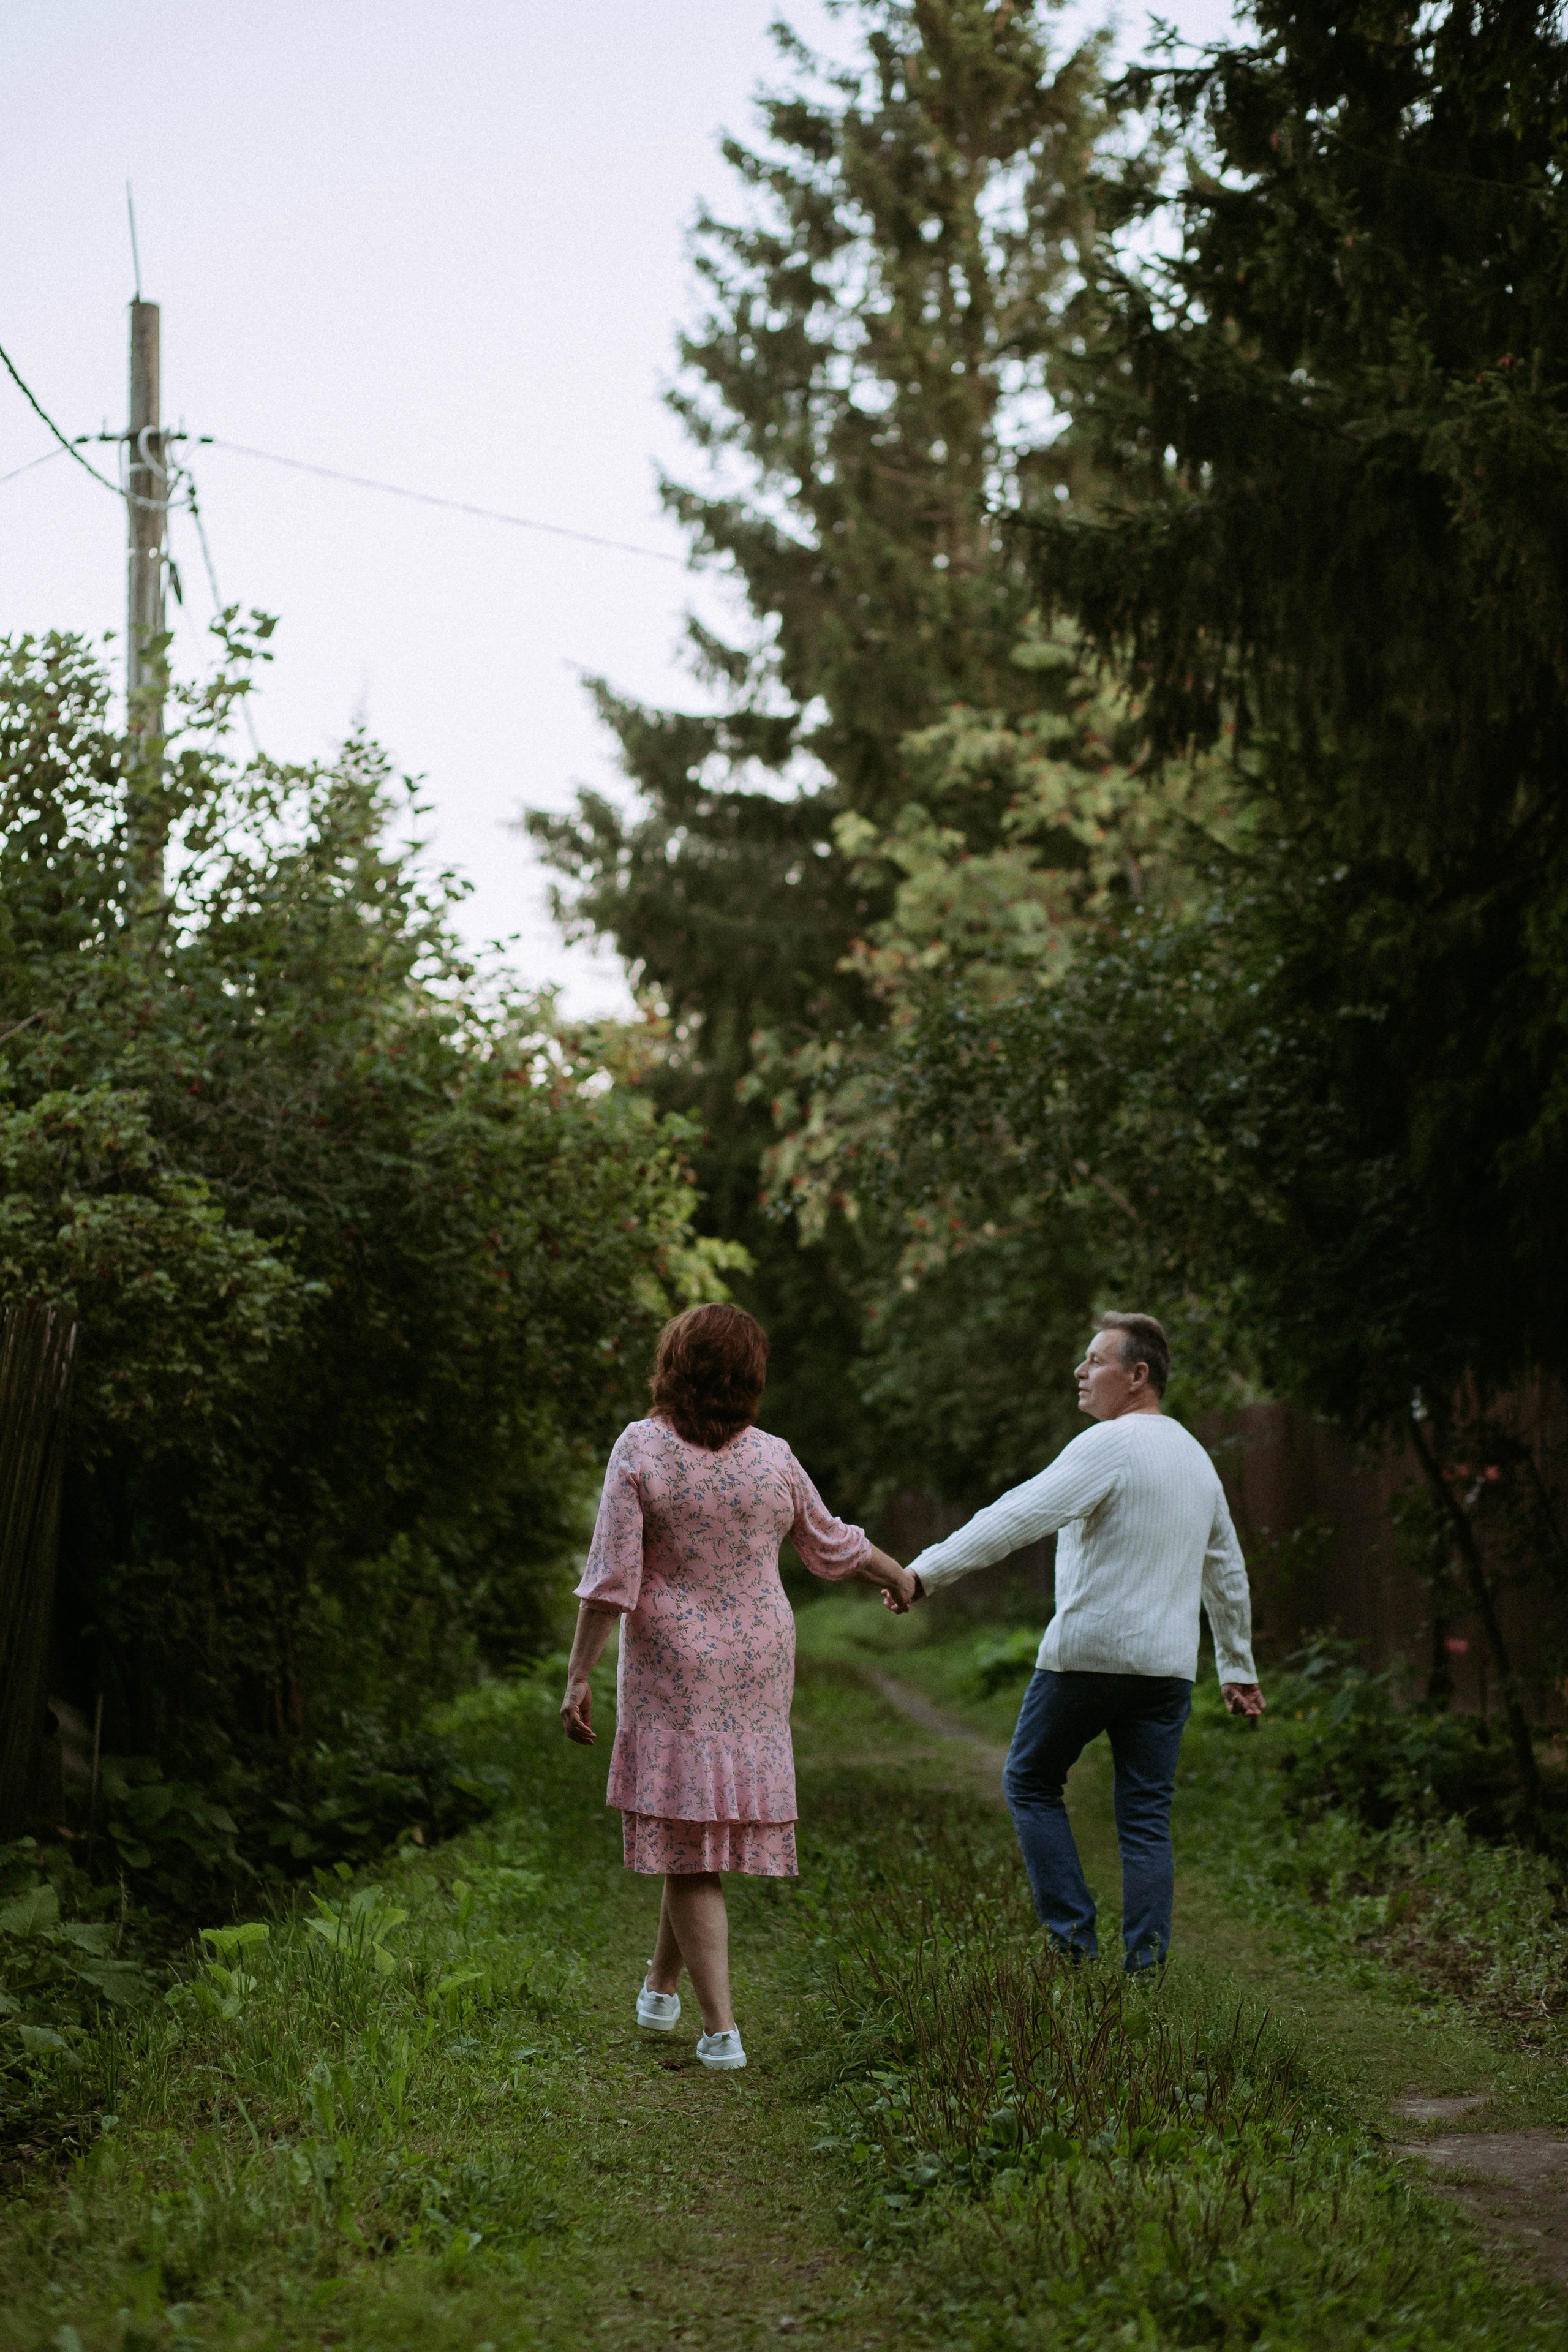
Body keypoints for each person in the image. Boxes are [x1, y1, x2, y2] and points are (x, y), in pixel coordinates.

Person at [560, 1302, 915, 2068]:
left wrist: (577, 1674)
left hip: (673, 1663)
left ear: (674, 1365)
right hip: (758, 1661)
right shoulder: (772, 1457)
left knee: (688, 1838)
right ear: (750, 1377)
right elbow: (831, 1544)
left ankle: (720, 2031)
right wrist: (899, 1575)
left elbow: (611, 1580)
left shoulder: (641, 1447)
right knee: (693, 1828)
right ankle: (660, 1987)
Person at [899, 1313, 1263, 1973]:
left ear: (1138, 1375)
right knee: (1145, 1817)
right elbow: (1227, 1569)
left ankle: (1071, 1944)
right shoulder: (1195, 1457)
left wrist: (924, 1573)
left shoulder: (1110, 1444)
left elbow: (1017, 1515)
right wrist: (1236, 1667)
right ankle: (1145, 1968)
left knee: (1030, 1780)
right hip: (1167, 1671)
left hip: (1090, 1657)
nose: (1080, 1371)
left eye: (1095, 1360)